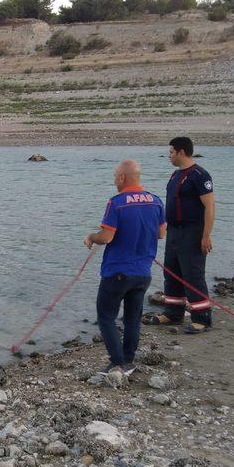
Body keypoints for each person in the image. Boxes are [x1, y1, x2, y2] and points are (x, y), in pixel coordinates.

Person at [84, 159, 166, 375]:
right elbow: (160, 233)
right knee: (132, 319)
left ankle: (118, 362)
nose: (114, 180)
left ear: (122, 177)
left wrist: (92, 237)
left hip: (117, 272)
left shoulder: (117, 202)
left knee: (106, 317)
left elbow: (107, 236)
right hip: (143, 272)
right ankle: (128, 360)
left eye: (114, 176)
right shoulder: (156, 201)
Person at [144, 137, 215, 333]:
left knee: (193, 274)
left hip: (193, 231)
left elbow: (209, 207)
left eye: (171, 152)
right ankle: (173, 313)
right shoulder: (176, 174)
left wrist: (206, 235)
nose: (169, 156)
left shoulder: (200, 175)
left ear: (181, 152)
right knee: (172, 271)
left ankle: (202, 318)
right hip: (174, 231)